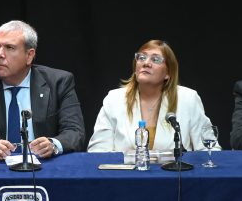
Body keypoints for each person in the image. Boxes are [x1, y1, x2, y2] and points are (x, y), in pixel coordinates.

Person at [0, 20, 85, 160]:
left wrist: (52, 144)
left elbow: (75, 132)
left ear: (29, 55)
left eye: (9, 47)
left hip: (44, 167)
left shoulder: (59, 82)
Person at [88, 40, 218, 152]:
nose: (146, 63)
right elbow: (98, 151)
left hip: (173, 177)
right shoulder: (114, 99)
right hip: (126, 176)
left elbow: (210, 149)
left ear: (168, 73)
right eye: (141, 57)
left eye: (155, 59)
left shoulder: (188, 99)